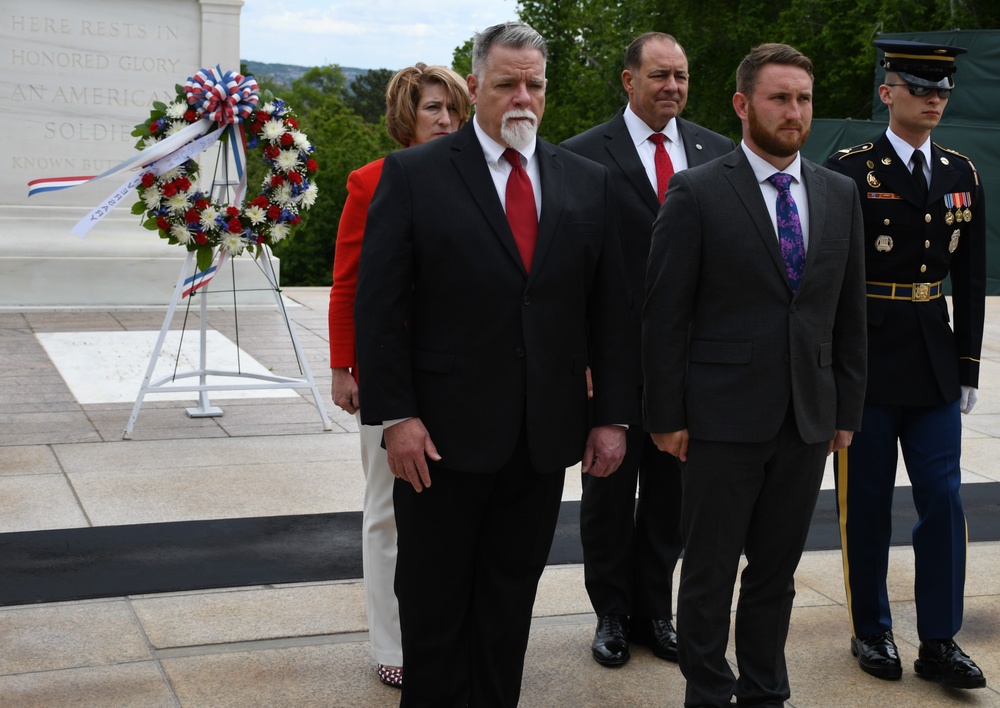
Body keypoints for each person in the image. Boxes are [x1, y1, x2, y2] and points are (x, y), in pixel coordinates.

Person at [354, 21, 632, 707]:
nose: (522, 98)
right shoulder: (413, 176)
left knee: (508, 605)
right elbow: (379, 309)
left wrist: (613, 418)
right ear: (474, 85)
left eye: (534, 84)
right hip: (438, 439)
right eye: (507, 83)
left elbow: (612, 316)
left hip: (540, 440)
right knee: (434, 604)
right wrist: (397, 416)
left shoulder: (586, 182)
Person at [642, 43, 868, 706]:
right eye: (779, 97)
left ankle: (767, 692)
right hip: (719, 420)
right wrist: (667, 416)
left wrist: (846, 411)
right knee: (710, 573)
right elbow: (664, 317)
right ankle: (709, 693)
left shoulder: (838, 193)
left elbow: (846, 313)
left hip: (806, 420)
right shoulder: (697, 191)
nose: (793, 111)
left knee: (777, 572)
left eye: (802, 97)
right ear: (743, 105)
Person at [562, 31, 735, 668]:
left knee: (673, 491)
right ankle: (611, 610)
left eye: (682, 77)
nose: (673, 87)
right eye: (660, 75)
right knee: (609, 486)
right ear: (628, 81)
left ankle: (654, 611)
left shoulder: (718, 154)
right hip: (614, 357)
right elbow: (570, 270)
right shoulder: (580, 157)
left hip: (690, 360)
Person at [825, 39, 987, 689]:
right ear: (888, 92)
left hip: (932, 356)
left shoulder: (961, 172)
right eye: (921, 87)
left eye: (943, 89)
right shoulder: (847, 169)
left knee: (944, 500)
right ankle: (872, 630)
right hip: (864, 356)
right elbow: (826, 275)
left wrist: (969, 364)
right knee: (864, 503)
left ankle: (940, 639)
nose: (934, 98)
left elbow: (970, 276)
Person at [327, 62, 472, 689]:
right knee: (387, 511)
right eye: (432, 109)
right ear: (404, 119)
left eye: (453, 109)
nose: (446, 120)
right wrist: (343, 366)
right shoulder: (372, 181)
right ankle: (395, 643)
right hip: (393, 375)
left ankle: (454, 633)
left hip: (467, 375)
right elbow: (350, 281)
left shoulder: (486, 179)